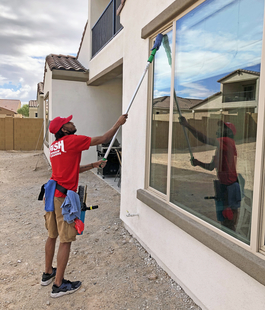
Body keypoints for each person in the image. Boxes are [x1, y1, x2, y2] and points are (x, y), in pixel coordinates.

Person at [41, 113, 127, 298]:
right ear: (64, 130)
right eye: (68, 122)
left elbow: (69, 168)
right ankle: (58, 285)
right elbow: (104, 138)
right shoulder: (72, 140)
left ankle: (47, 273)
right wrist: (118, 123)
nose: (72, 123)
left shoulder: (55, 146)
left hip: (52, 194)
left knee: (52, 235)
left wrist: (93, 165)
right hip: (63, 198)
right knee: (66, 240)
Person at [179, 117, 241, 231]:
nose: (218, 130)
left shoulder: (227, 141)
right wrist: (198, 163)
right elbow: (211, 167)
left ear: (229, 133)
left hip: (230, 188)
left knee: (229, 220)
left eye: (222, 128)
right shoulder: (221, 148)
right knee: (224, 220)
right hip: (225, 187)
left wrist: (187, 126)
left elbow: (205, 139)